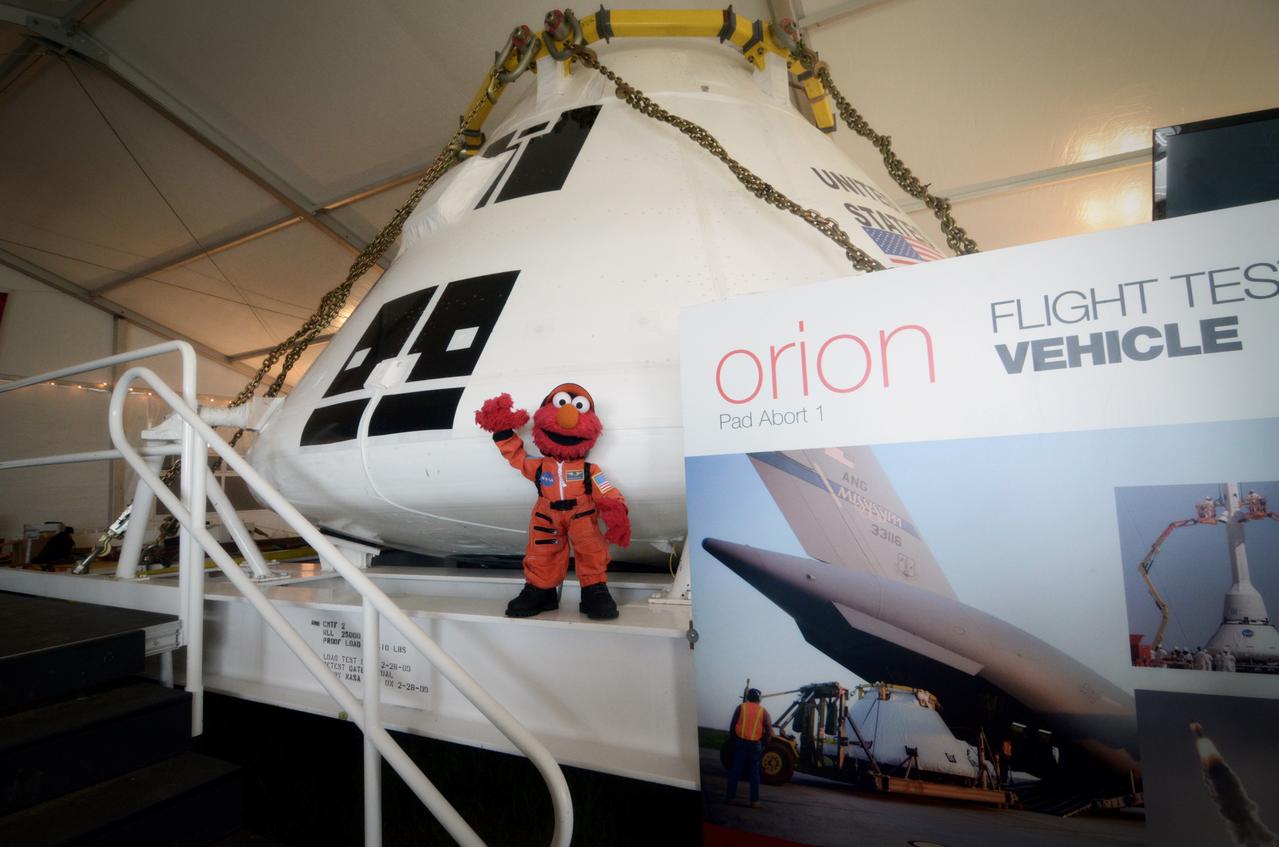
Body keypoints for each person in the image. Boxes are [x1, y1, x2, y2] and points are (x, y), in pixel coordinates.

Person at [726, 689, 773, 808]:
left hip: (740, 743)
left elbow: (732, 725)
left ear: (748, 697)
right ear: (759, 699)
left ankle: (730, 798)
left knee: (735, 771)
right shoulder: (763, 711)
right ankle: (754, 801)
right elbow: (768, 730)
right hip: (755, 745)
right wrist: (766, 745)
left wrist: (732, 741)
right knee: (754, 774)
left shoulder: (741, 708)